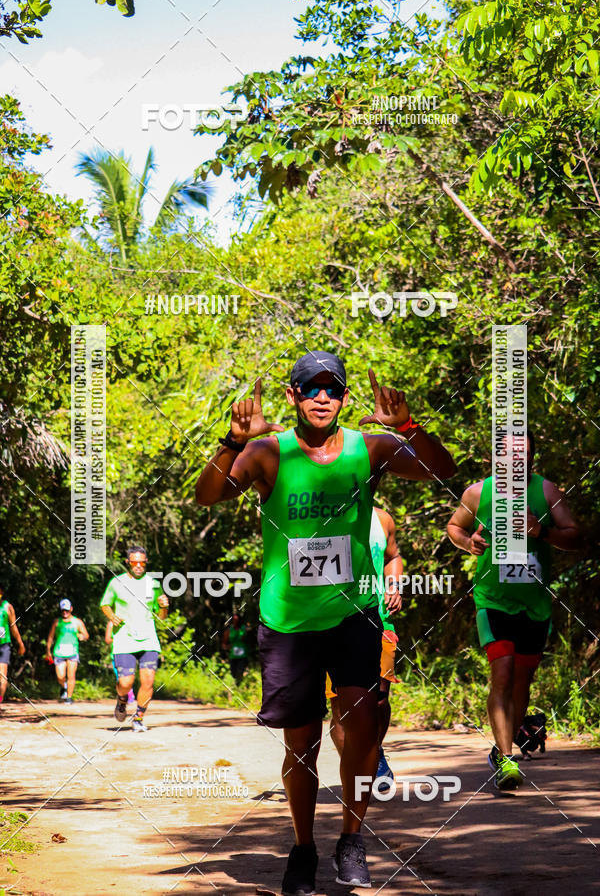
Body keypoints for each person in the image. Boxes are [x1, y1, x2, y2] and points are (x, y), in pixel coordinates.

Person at [196, 351, 456, 893]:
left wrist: (409, 426)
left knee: (359, 736)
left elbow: (442, 468)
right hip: (289, 621)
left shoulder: (370, 447)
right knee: (302, 744)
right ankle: (302, 848)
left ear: (342, 398)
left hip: (353, 613)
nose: (322, 398)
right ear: (292, 397)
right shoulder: (270, 453)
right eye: (310, 389)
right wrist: (233, 442)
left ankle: (352, 840)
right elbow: (209, 495)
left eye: (332, 390)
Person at [447, 431, 580, 791]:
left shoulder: (547, 492)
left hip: (534, 605)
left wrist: (543, 532)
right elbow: (455, 527)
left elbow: (576, 537)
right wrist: (468, 541)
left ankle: (503, 744)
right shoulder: (479, 493)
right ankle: (507, 759)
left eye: (523, 454)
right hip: (493, 600)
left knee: (522, 683)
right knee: (502, 674)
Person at [327, 507, 403, 792]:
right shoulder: (321, 512)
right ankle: (357, 771)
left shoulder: (381, 519)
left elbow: (393, 556)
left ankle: (375, 752)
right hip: (328, 621)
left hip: (378, 618)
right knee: (340, 705)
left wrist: (393, 585)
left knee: (379, 700)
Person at [100, 545, 168, 732]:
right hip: (124, 639)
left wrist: (164, 606)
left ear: (146, 563)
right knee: (125, 682)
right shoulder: (116, 583)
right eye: (135, 562)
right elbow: (105, 604)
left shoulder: (153, 584)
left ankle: (138, 717)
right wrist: (112, 617)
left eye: (142, 562)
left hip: (148, 640)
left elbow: (160, 617)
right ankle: (122, 701)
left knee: (148, 681)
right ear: (128, 562)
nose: (138, 566)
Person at [46, 599, 89, 704]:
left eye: (67, 610)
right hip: (59, 652)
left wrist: (81, 637)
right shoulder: (57, 622)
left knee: (71, 675)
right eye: (63, 610)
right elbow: (51, 637)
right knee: (60, 676)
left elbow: (86, 635)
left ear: (71, 609)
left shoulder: (77, 622)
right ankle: (63, 686)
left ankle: (69, 697)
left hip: (72, 652)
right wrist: (48, 650)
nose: (65, 612)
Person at [0, 586, 26, 708]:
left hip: (3, 645)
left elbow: (13, 627)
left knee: (2, 677)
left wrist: (20, 643)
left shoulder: (7, 607)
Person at [105, 620, 135, 704]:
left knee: (130, 675)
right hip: (116, 653)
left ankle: (129, 693)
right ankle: (123, 696)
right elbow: (107, 639)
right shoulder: (111, 623)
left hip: (130, 652)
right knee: (120, 677)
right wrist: (118, 638)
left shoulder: (130, 620)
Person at [221, 612, 251, 684]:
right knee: (233, 673)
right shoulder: (229, 630)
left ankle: (240, 686)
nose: (235, 621)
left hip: (243, 655)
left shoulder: (244, 629)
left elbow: (248, 639)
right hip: (233, 656)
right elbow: (224, 643)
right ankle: (236, 686)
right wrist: (227, 647)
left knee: (240, 672)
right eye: (234, 620)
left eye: (237, 620)